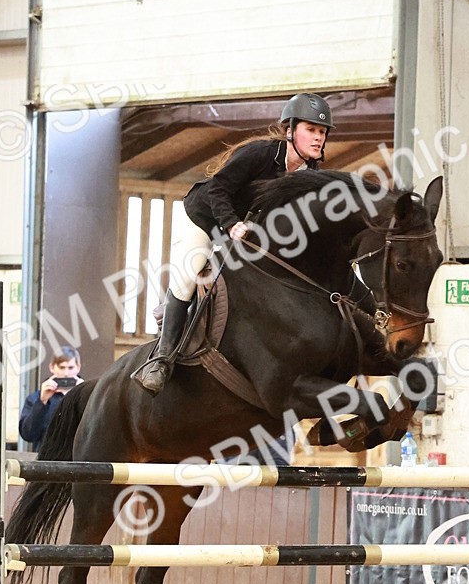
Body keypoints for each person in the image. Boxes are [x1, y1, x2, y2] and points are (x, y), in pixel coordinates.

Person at [132, 92, 334, 394]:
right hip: (204, 216)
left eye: (321, 132)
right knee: (189, 276)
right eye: (311, 130)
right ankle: (161, 360)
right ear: (290, 131)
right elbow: (217, 190)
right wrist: (230, 225)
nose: (318, 138)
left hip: (245, 232)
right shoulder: (260, 154)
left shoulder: (311, 176)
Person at [19, 346, 82, 448]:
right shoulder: (35, 398)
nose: (66, 373)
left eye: (70, 368)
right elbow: (28, 435)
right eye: (62, 367)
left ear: (78, 367)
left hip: (78, 458)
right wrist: (42, 401)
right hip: (47, 458)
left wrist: (82, 395)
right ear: (52, 367)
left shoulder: (88, 395)